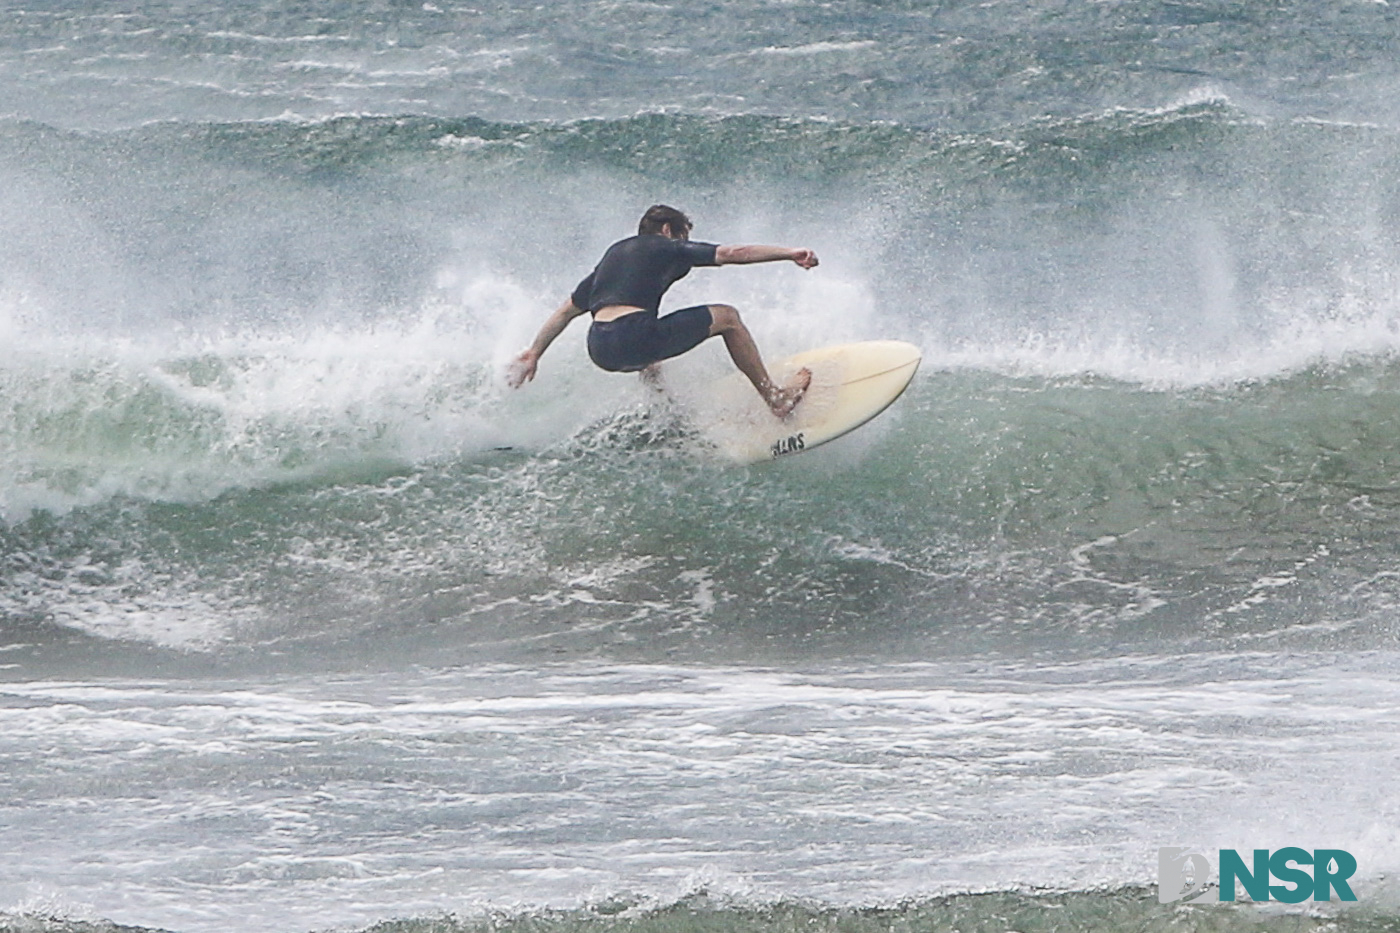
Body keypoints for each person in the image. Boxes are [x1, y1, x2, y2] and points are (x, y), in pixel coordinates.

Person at [507, 204, 818, 418]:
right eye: (684, 235)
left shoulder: (612, 258)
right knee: (728, 318)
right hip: (634, 334)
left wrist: (534, 353)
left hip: (600, 347)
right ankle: (775, 399)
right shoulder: (666, 246)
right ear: (668, 230)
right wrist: (788, 253)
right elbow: (732, 253)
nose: (686, 242)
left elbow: (565, 311)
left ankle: (666, 415)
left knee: (649, 357)